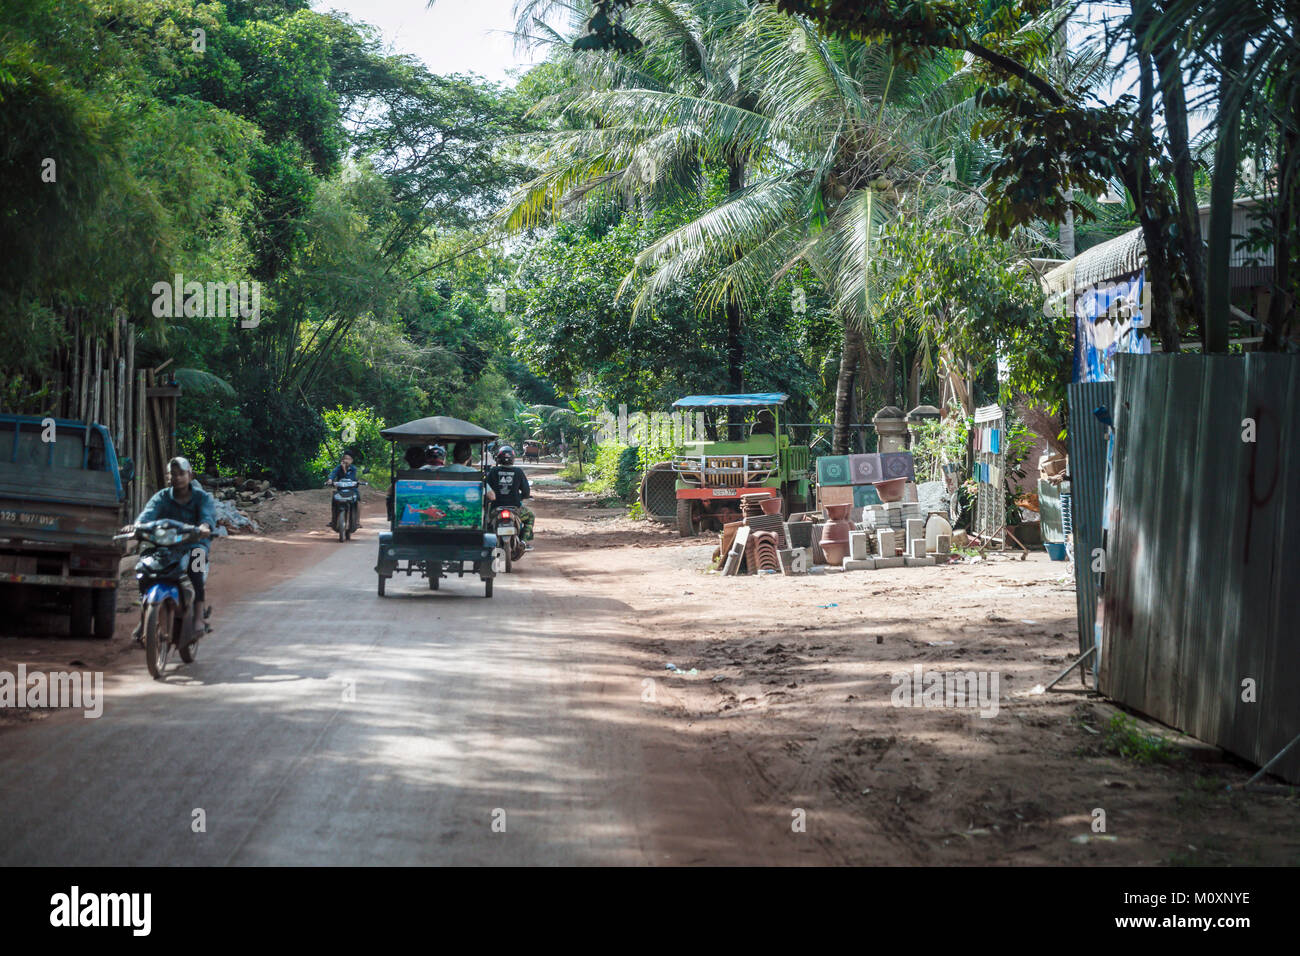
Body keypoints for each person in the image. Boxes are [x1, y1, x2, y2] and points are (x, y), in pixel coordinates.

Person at [131, 456, 215, 642]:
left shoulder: (202, 498)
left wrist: (204, 528)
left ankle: (199, 617)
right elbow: (147, 515)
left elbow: (207, 517)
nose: (177, 478)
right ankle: (145, 615)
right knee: (144, 567)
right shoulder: (161, 497)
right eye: (173, 474)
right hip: (165, 545)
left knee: (197, 568)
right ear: (168, 477)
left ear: (190, 475)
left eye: (181, 474)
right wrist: (136, 526)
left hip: (195, 544)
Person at [485, 445, 534, 544]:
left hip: (496, 509)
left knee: (485, 522)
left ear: (498, 459)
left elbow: (486, 489)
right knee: (530, 516)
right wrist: (519, 497)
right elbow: (526, 492)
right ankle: (524, 541)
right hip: (515, 508)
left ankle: (488, 542)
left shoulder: (493, 471)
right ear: (513, 459)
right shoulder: (518, 472)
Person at [326, 451, 358, 530]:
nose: (346, 460)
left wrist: (344, 469)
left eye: (348, 459)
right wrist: (330, 480)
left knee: (357, 499)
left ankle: (356, 521)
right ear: (342, 460)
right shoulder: (338, 467)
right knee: (334, 500)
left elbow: (349, 478)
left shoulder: (353, 469)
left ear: (351, 460)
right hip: (340, 490)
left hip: (352, 489)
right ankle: (333, 520)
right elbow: (333, 474)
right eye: (345, 458)